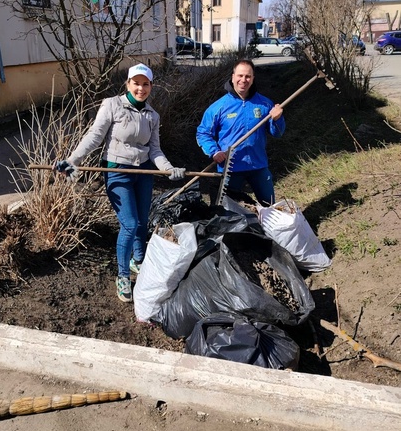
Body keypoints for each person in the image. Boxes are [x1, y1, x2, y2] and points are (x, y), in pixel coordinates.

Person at [54, 63, 186, 302]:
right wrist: (73, 159)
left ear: (151, 87)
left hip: (143, 173)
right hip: (117, 171)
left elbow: (154, 149)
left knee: (142, 221)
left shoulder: (152, 116)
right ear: (128, 84)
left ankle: (139, 261)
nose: (141, 88)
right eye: (136, 83)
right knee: (130, 224)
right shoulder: (112, 105)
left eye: (145, 84)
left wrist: (169, 169)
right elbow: (95, 136)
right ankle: (123, 275)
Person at [196, 58, 285, 206]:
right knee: (228, 213)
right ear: (233, 77)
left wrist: (277, 119)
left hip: (258, 166)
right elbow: (202, 133)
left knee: (270, 208)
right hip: (230, 168)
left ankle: (266, 229)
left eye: (248, 76)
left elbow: (278, 133)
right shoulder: (219, 107)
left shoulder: (265, 104)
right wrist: (214, 152)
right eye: (240, 75)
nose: (243, 80)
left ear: (253, 79)